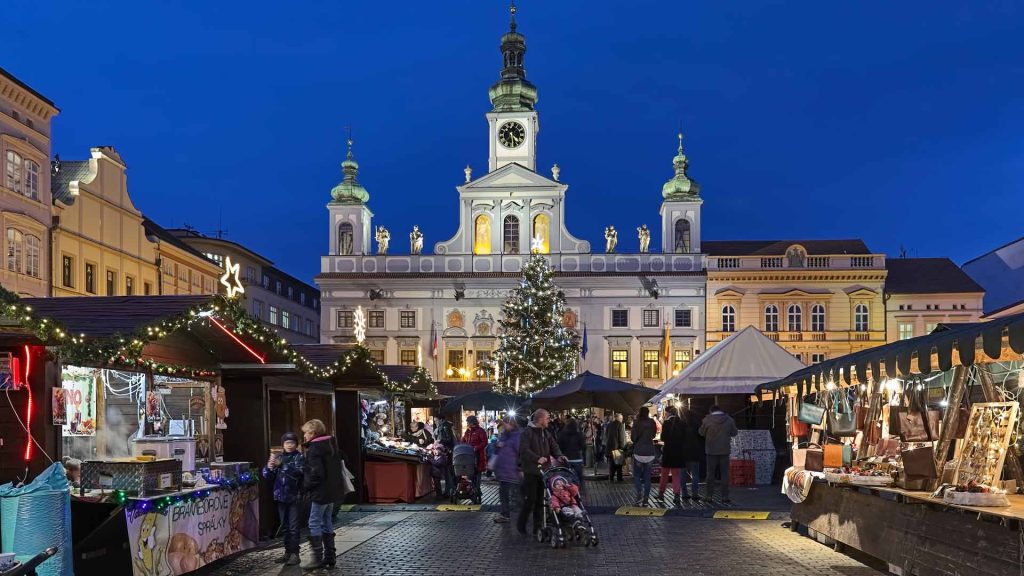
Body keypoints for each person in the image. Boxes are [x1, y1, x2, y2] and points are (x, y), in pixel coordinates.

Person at [300, 419, 346, 570]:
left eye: (306, 432)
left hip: (320, 492)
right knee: (327, 521)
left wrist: (306, 486)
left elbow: (316, 473)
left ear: (312, 433)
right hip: (332, 490)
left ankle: (318, 558)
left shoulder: (314, 449)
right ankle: (330, 557)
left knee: (314, 522)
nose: (304, 436)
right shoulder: (331, 445)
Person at [517, 409, 564, 536]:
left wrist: (559, 456)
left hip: (544, 472)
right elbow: (524, 450)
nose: (549, 420)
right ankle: (521, 524)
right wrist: (537, 458)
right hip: (531, 471)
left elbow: (554, 446)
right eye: (547, 418)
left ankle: (537, 527)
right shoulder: (528, 433)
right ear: (540, 419)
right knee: (531, 499)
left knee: (540, 500)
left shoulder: (545, 432)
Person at [261, 433, 305, 566]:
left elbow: (299, 472)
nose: (289, 445)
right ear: (283, 445)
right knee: (284, 527)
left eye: (292, 443)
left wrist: (282, 465)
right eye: (287, 443)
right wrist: (268, 468)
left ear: (296, 444)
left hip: (294, 496)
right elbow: (268, 476)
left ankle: (295, 554)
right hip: (280, 496)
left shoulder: (299, 457)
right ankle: (287, 552)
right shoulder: (279, 456)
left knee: (293, 526)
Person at [699, 405, 739, 504]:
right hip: (725, 450)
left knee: (710, 474)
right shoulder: (729, 420)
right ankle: (725, 496)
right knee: (725, 474)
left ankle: (709, 496)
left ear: (711, 411)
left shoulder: (706, 420)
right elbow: (734, 433)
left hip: (711, 450)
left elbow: (701, 433)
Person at [491, 416, 523, 523]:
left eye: (504, 424)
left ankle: (523, 515)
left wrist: (520, 468)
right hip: (503, 471)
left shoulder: (516, 436)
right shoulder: (504, 436)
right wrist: (497, 445)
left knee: (516, 496)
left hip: (512, 471)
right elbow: (497, 450)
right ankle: (505, 514)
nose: (503, 426)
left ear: (511, 424)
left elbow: (520, 453)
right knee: (504, 494)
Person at [657, 406, 686, 506]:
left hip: (668, 451)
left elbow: (663, 437)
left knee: (664, 474)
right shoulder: (682, 422)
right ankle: (677, 494)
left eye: (666, 412)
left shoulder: (667, 423)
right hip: (678, 452)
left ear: (668, 413)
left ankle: (661, 493)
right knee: (676, 475)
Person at [631, 406, 658, 507]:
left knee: (637, 475)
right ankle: (646, 499)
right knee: (647, 477)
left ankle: (639, 493)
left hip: (639, 451)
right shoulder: (652, 422)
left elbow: (633, 437)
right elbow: (654, 435)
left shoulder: (636, 422)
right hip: (650, 452)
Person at [557, 417, 586, 494]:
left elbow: (559, 446)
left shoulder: (562, 434)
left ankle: (567, 491)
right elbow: (583, 446)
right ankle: (579, 491)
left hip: (566, 458)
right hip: (577, 458)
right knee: (579, 476)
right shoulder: (579, 434)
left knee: (566, 476)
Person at [461, 415, 488, 494]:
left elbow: (485, 442)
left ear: (472, 422)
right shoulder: (467, 431)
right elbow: (463, 440)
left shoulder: (480, 431)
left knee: (477, 473)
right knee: (470, 473)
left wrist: (476, 448)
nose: (467, 423)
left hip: (478, 455)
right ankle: (473, 489)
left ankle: (477, 490)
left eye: (467, 422)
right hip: (469, 455)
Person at [680, 408, 703, 500]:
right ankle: (695, 494)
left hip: (683, 453)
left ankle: (684, 493)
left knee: (683, 474)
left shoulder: (680, 425)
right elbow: (701, 436)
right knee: (695, 474)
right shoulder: (697, 424)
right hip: (694, 452)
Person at [435, 415, 456, 496]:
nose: (435, 422)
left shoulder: (445, 426)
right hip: (447, 450)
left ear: (441, 419)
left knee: (448, 472)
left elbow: (449, 439)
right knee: (448, 472)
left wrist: (440, 440)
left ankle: (449, 491)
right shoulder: (445, 426)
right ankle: (449, 490)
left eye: (436, 420)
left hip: (447, 451)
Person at [604, 413, 626, 482]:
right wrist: (622, 447)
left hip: (609, 447)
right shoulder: (620, 425)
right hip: (617, 447)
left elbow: (606, 434)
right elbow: (621, 438)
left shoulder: (609, 424)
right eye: (621, 418)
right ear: (619, 418)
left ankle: (611, 477)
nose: (622, 420)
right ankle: (619, 478)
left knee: (612, 463)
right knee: (619, 464)